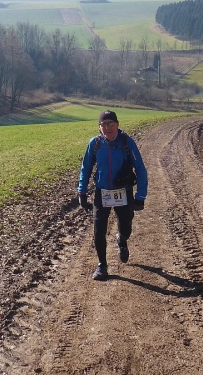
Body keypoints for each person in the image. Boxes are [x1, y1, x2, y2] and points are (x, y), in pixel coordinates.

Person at [78, 110, 148, 281]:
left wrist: (140, 196)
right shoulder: (95, 144)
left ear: (117, 125)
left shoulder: (126, 142)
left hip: (123, 192)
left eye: (111, 124)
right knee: (98, 230)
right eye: (104, 124)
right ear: (99, 127)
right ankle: (102, 265)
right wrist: (82, 191)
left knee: (126, 227)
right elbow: (86, 168)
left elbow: (140, 168)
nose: (107, 128)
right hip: (102, 193)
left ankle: (122, 240)